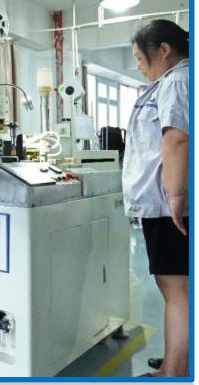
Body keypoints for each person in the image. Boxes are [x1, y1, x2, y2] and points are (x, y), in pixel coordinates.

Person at [123, 19, 189, 377]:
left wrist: (176, 196)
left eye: (139, 57)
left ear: (163, 50)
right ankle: (175, 360)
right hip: (165, 204)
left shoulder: (177, 80)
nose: (138, 65)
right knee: (176, 287)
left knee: (176, 289)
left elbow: (176, 138)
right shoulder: (174, 80)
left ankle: (174, 372)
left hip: (169, 207)